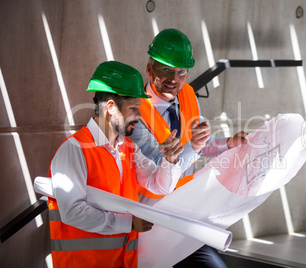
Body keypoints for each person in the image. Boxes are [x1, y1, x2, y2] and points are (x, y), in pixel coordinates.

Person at [128, 28, 247, 268]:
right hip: (151, 220)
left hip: (184, 214)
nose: (174, 79)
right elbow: (163, 170)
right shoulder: (134, 110)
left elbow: (198, 146)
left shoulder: (188, 96)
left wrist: (226, 143)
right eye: (166, 70)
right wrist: (194, 145)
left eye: (181, 71)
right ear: (149, 69)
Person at [47, 61, 183, 268]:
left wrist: (170, 160)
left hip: (121, 262)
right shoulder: (74, 149)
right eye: (134, 108)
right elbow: (72, 211)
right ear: (111, 107)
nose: (139, 116)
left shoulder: (127, 147)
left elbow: (159, 185)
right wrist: (128, 223)